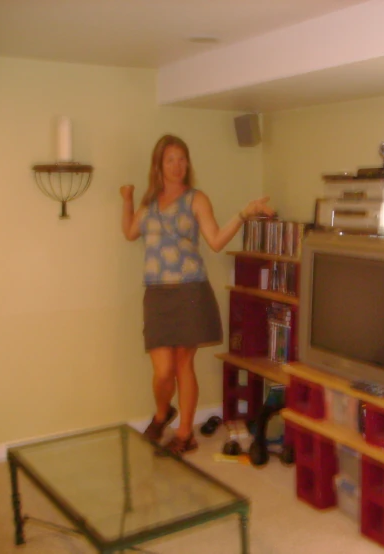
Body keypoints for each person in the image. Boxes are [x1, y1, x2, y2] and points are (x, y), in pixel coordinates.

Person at [120, 134, 274, 455]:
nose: (178, 165)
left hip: (190, 290)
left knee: (182, 365)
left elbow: (216, 240)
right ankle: (163, 414)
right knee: (162, 372)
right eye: (170, 160)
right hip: (157, 294)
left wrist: (244, 213)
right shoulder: (148, 203)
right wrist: (128, 199)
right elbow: (129, 232)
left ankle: (185, 433)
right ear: (159, 166)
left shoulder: (196, 199)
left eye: (182, 158)